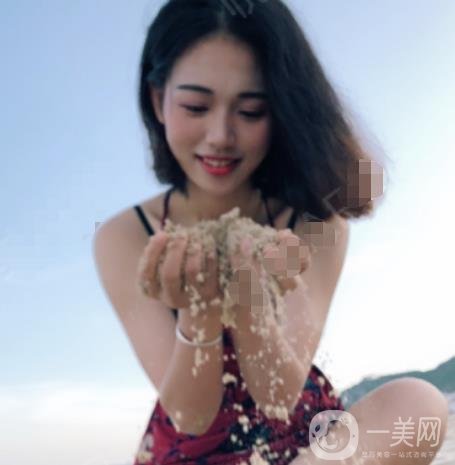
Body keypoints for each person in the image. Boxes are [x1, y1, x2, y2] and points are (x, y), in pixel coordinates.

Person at [92, 1, 448, 465]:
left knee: (419, 403)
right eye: (196, 106)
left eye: (251, 111)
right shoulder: (126, 236)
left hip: (303, 443)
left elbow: (279, 396)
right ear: (158, 100)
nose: (220, 135)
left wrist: (250, 305)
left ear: (279, 110)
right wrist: (200, 313)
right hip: (192, 447)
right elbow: (190, 416)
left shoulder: (313, 221)